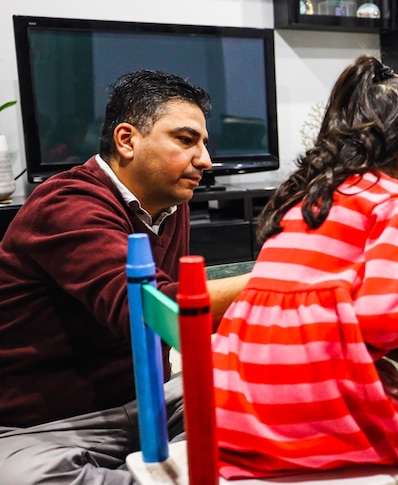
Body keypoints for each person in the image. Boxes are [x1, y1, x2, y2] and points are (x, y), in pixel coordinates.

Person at [212, 55, 398, 485]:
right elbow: (380, 319)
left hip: (236, 409)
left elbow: (333, 291)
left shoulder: (311, 193)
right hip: (310, 404)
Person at [0, 69, 250, 484]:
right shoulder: (66, 204)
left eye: (204, 144)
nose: (205, 160)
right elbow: (149, 309)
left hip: (149, 398)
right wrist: (285, 277)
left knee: (277, 406)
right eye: (187, 141)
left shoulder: (171, 200)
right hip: (45, 424)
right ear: (126, 140)